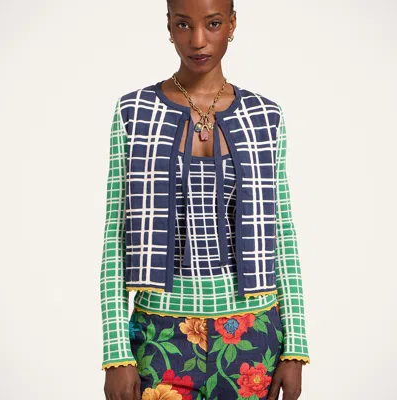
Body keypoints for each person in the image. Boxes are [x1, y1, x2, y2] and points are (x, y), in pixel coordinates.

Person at [100, 1, 310, 399]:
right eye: (184, 24)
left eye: (212, 23)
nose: (198, 40)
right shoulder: (134, 111)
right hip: (160, 332)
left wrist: (295, 346)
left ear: (231, 23)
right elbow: (116, 233)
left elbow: (281, 230)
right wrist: (116, 353)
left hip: (254, 333)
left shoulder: (265, 116)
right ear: (169, 26)